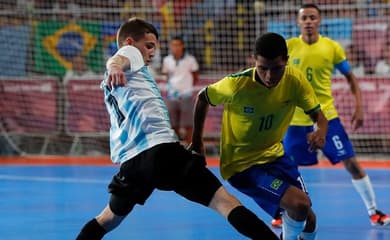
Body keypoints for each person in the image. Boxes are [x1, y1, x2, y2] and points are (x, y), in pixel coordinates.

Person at [75, 17, 279, 240]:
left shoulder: (110, 84)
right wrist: (115, 65)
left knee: (107, 220)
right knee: (225, 202)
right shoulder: (130, 54)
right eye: (149, 46)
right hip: (161, 151)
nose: (152, 53)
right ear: (130, 42)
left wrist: (115, 68)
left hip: (133, 163)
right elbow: (119, 58)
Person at [191, 32, 328, 240]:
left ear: (286, 61)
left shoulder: (294, 81)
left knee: (309, 219)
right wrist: (197, 141)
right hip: (242, 166)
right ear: (254, 61)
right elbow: (203, 98)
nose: (269, 76)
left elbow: (318, 115)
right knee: (299, 204)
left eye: (277, 69)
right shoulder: (236, 85)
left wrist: (321, 130)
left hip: (276, 157)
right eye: (263, 68)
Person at [271, 3, 390, 228]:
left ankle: (374, 211)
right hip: (295, 119)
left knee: (352, 163)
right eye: (304, 18)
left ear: (319, 21)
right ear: (298, 22)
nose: (308, 21)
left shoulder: (331, 47)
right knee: (285, 168)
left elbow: (350, 77)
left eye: (312, 17)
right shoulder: (288, 47)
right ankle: (280, 211)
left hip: (327, 117)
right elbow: (275, 78)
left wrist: (359, 106)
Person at [161, 35, 200, 144]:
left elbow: (195, 75)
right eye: (173, 45)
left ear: (182, 46)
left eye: (178, 45)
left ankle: (190, 147)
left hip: (186, 94)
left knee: (188, 124)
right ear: (170, 46)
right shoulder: (167, 60)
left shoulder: (190, 60)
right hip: (172, 95)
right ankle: (176, 146)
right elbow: (166, 75)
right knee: (173, 123)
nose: (175, 47)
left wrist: (186, 87)